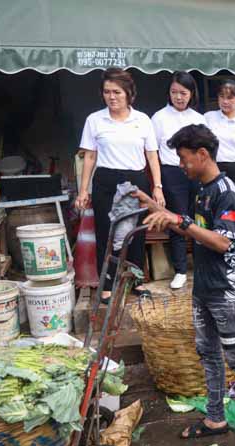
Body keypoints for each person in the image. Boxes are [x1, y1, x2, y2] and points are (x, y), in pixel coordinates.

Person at [133, 124, 235, 438]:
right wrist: (155, 207)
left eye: (184, 158)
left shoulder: (226, 192)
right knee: (208, 353)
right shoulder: (202, 188)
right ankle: (215, 418)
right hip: (204, 284)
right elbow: (190, 228)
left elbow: (222, 242)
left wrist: (179, 220)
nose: (182, 165)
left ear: (202, 155)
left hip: (226, 287)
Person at [76, 68, 162, 303]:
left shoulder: (142, 120)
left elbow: (152, 155)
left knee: (135, 233)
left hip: (136, 181)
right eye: (107, 92)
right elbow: (90, 157)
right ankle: (107, 285)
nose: (112, 97)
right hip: (106, 181)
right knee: (106, 233)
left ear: (129, 94)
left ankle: (137, 281)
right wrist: (83, 190)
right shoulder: (94, 120)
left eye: (117, 92)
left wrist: (158, 186)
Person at [151, 71, 207, 290]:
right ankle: (181, 270)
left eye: (183, 93)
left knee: (200, 220)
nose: (179, 97)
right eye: (174, 92)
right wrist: (158, 184)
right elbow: (152, 151)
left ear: (191, 94)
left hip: (197, 174)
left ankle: (203, 265)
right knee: (178, 221)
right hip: (172, 174)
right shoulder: (159, 118)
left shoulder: (198, 118)